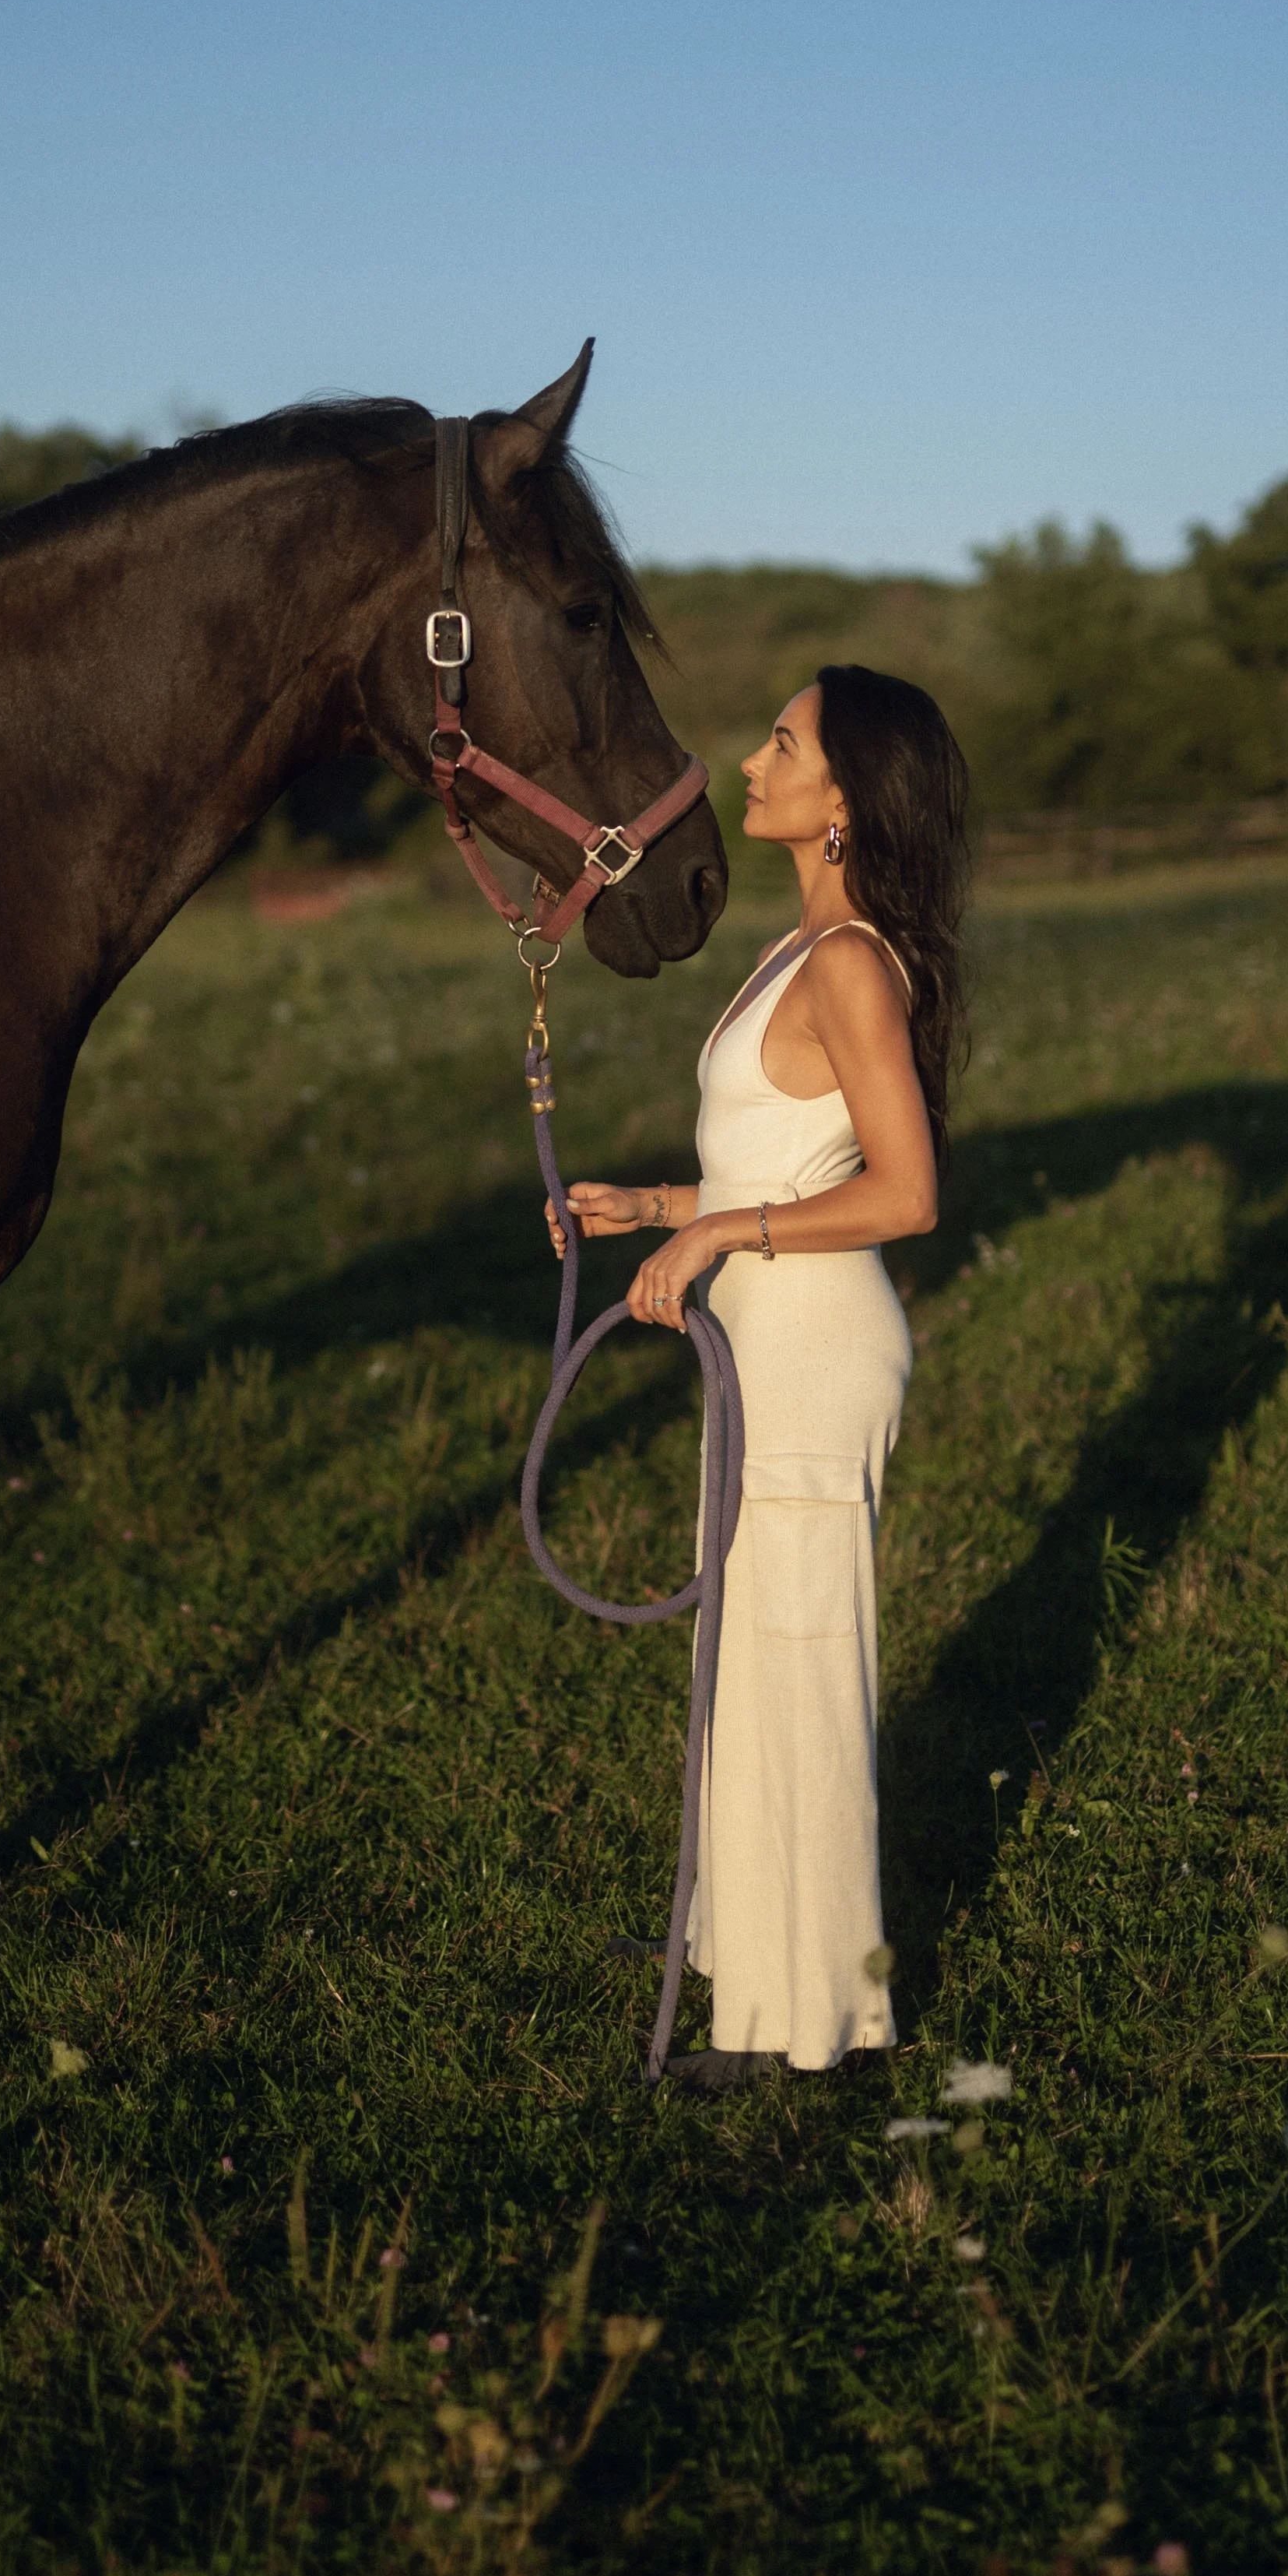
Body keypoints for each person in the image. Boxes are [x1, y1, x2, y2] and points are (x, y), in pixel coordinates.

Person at [548, 662, 969, 2086]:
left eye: (782, 743)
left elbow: (907, 1194)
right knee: (751, 1654)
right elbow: (771, 1162)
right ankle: (739, 1956)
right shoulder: (799, 948)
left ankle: (817, 2018)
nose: (751, 758)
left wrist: (730, 1227)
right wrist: (658, 1205)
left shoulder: (851, 963)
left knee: (800, 1662)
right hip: (765, 1332)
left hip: (818, 1343)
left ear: (843, 798)